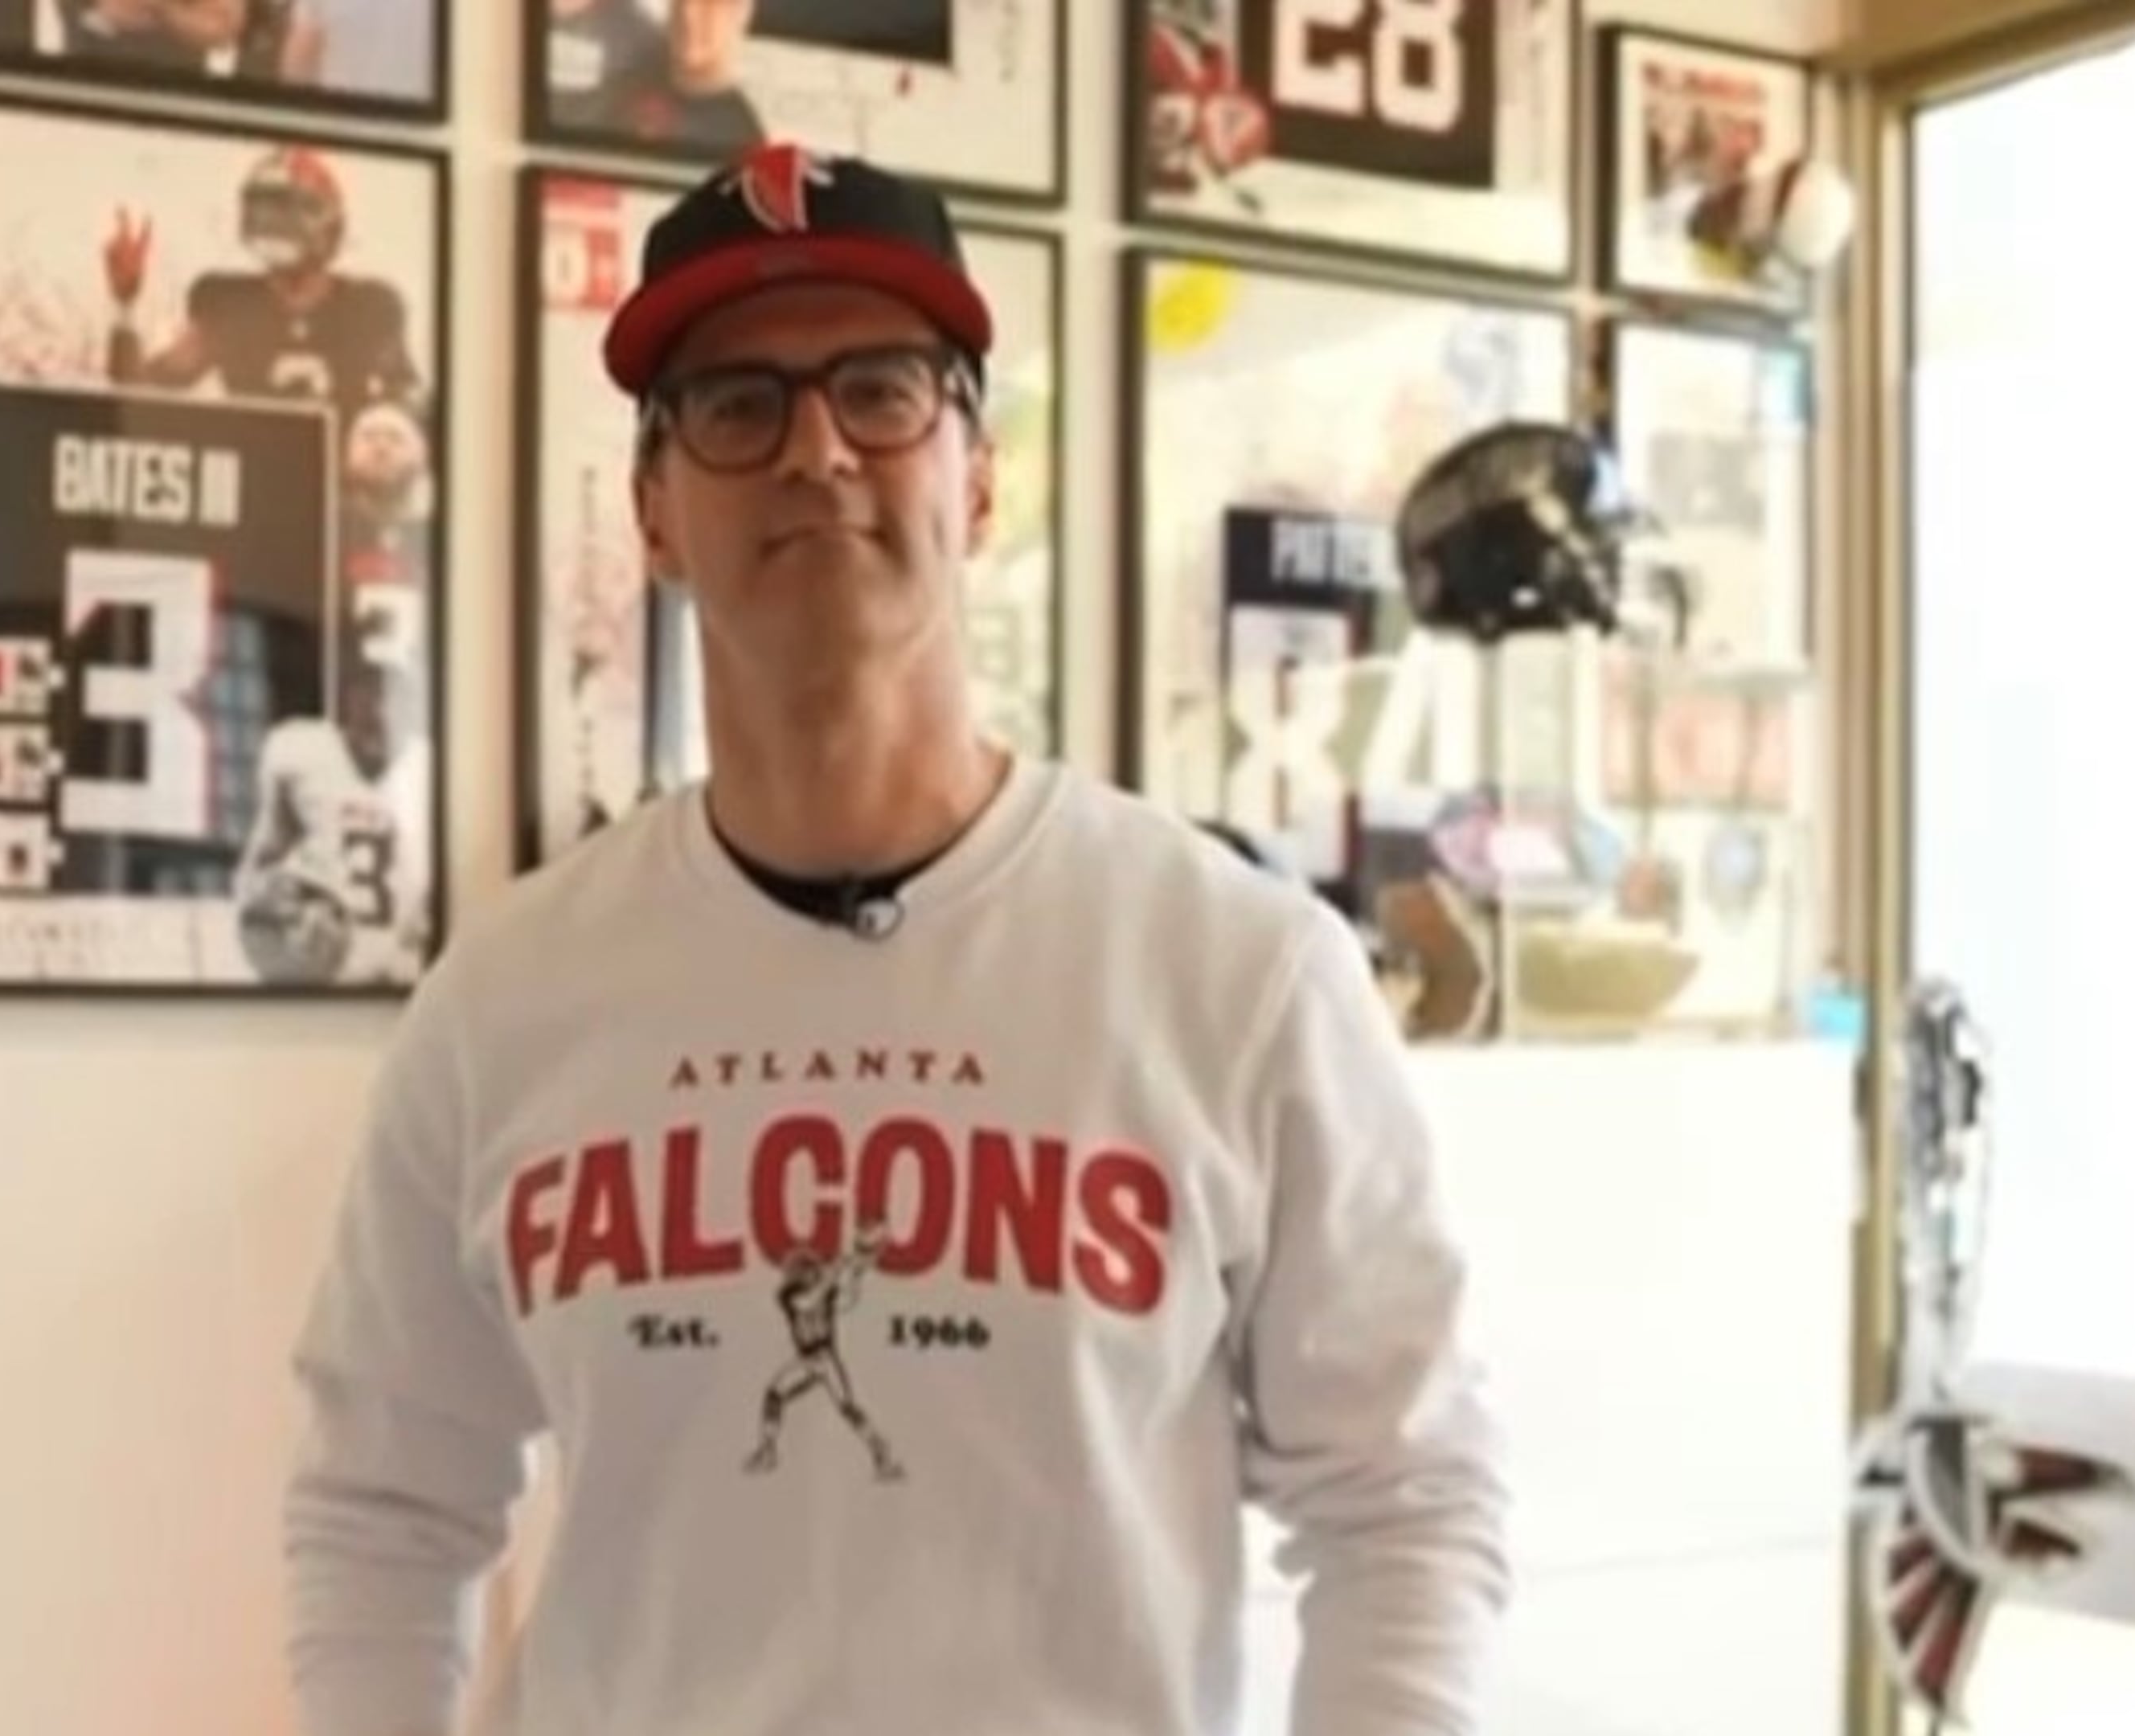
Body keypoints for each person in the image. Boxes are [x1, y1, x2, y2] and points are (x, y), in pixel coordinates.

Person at [281, 142, 1510, 1736]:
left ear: (978, 476)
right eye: (736, 405)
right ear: (652, 508)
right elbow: (383, 1504)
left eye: (881, 390)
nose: (814, 452)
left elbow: (1405, 1495)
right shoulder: (508, 1001)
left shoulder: (1235, 971)